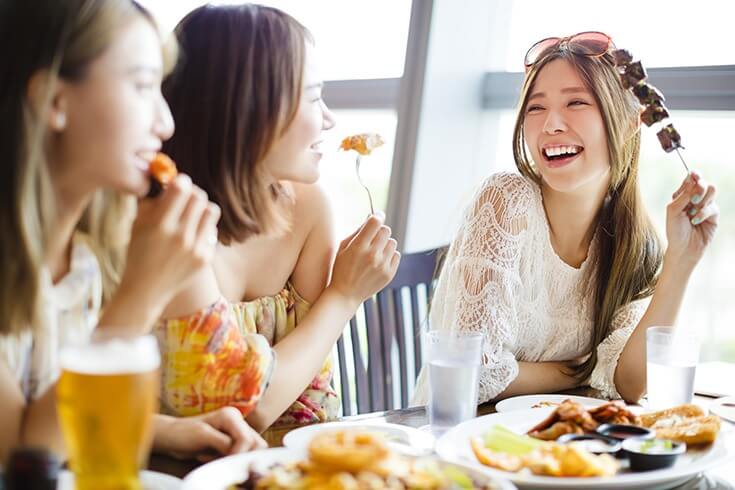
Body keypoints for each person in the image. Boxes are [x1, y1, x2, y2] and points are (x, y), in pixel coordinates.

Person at [0, 0, 265, 464]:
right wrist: (142, 293)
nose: (165, 123)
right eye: (142, 85)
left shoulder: (84, 257)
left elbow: (39, 413)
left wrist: (166, 429)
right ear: (54, 101)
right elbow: (23, 457)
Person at [413, 31, 718, 405]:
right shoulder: (505, 202)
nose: (551, 125)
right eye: (536, 108)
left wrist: (681, 262)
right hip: (459, 439)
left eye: (575, 102)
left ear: (628, 123)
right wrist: (579, 370)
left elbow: (631, 383)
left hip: (559, 445)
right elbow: (472, 375)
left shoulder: (635, 244)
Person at [156, 3, 400, 432]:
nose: (329, 118)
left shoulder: (308, 208)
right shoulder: (165, 225)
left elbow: (311, 398)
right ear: (247, 108)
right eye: (312, 97)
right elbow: (247, 409)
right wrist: (343, 295)